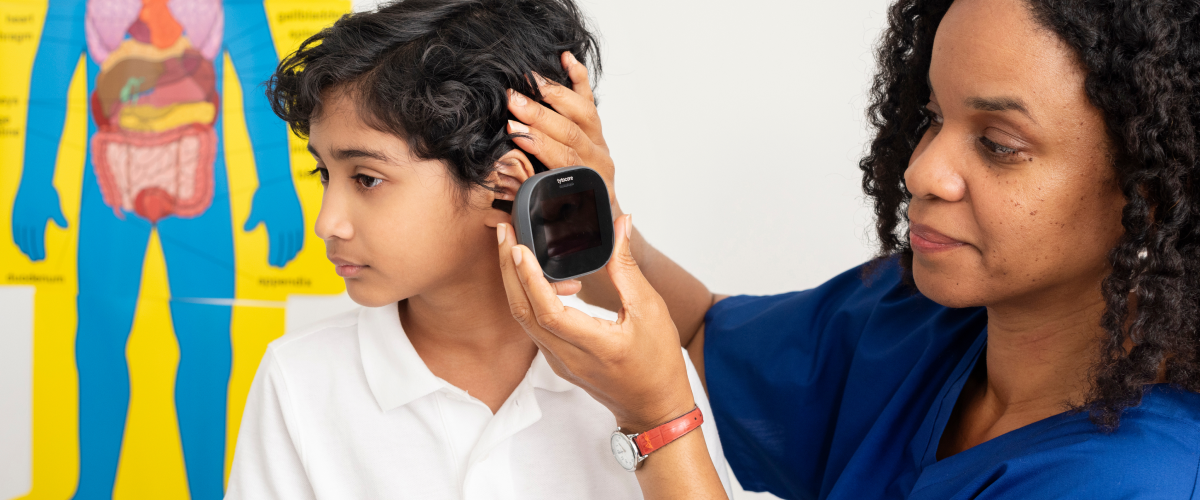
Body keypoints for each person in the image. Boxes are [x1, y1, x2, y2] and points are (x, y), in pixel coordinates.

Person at [496, 0, 1200, 498]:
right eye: (933, 117)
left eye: (998, 145)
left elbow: (672, 378)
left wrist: (659, 424)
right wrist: (591, 206)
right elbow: (700, 336)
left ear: (1151, 190)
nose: (922, 170)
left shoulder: (1137, 481)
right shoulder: (914, 317)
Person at [224, 0, 731, 498]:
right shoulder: (299, 380)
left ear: (504, 185)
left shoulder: (647, 375)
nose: (326, 223)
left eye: (367, 178)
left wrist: (654, 418)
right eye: (323, 173)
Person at [14, 0, 305, 496]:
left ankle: (208, 492)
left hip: (195, 181)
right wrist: (35, 181)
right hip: (114, 183)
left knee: (204, 341)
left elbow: (260, 73)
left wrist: (277, 183)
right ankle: (94, 490)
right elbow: (51, 70)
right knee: (102, 337)